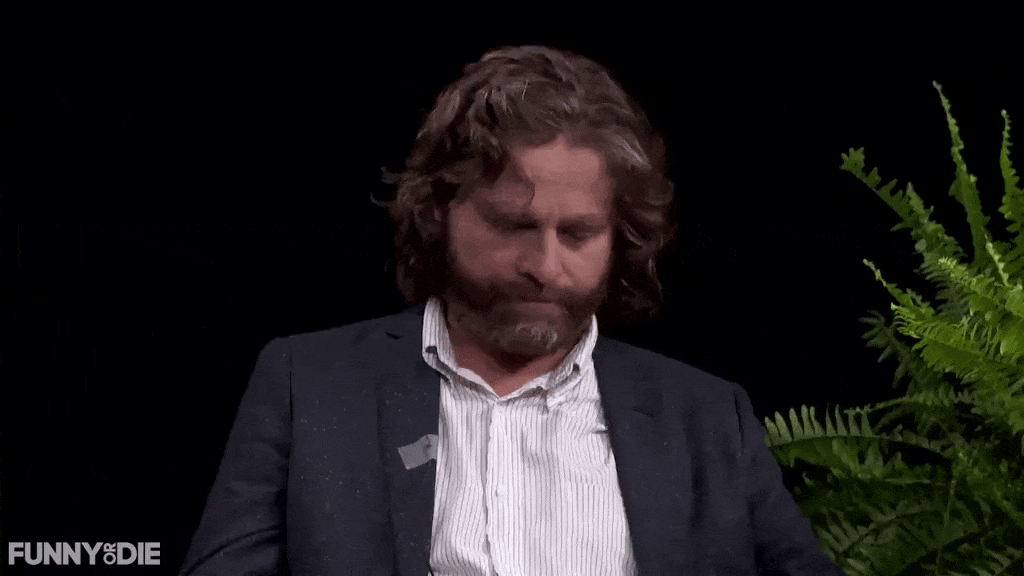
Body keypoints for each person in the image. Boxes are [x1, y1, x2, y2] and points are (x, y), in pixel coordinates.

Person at [179, 45, 845, 575]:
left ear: (620, 237)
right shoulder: (310, 385)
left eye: (578, 234)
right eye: (512, 226)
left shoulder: (705, 417)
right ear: (439, 212)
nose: (545, 267)